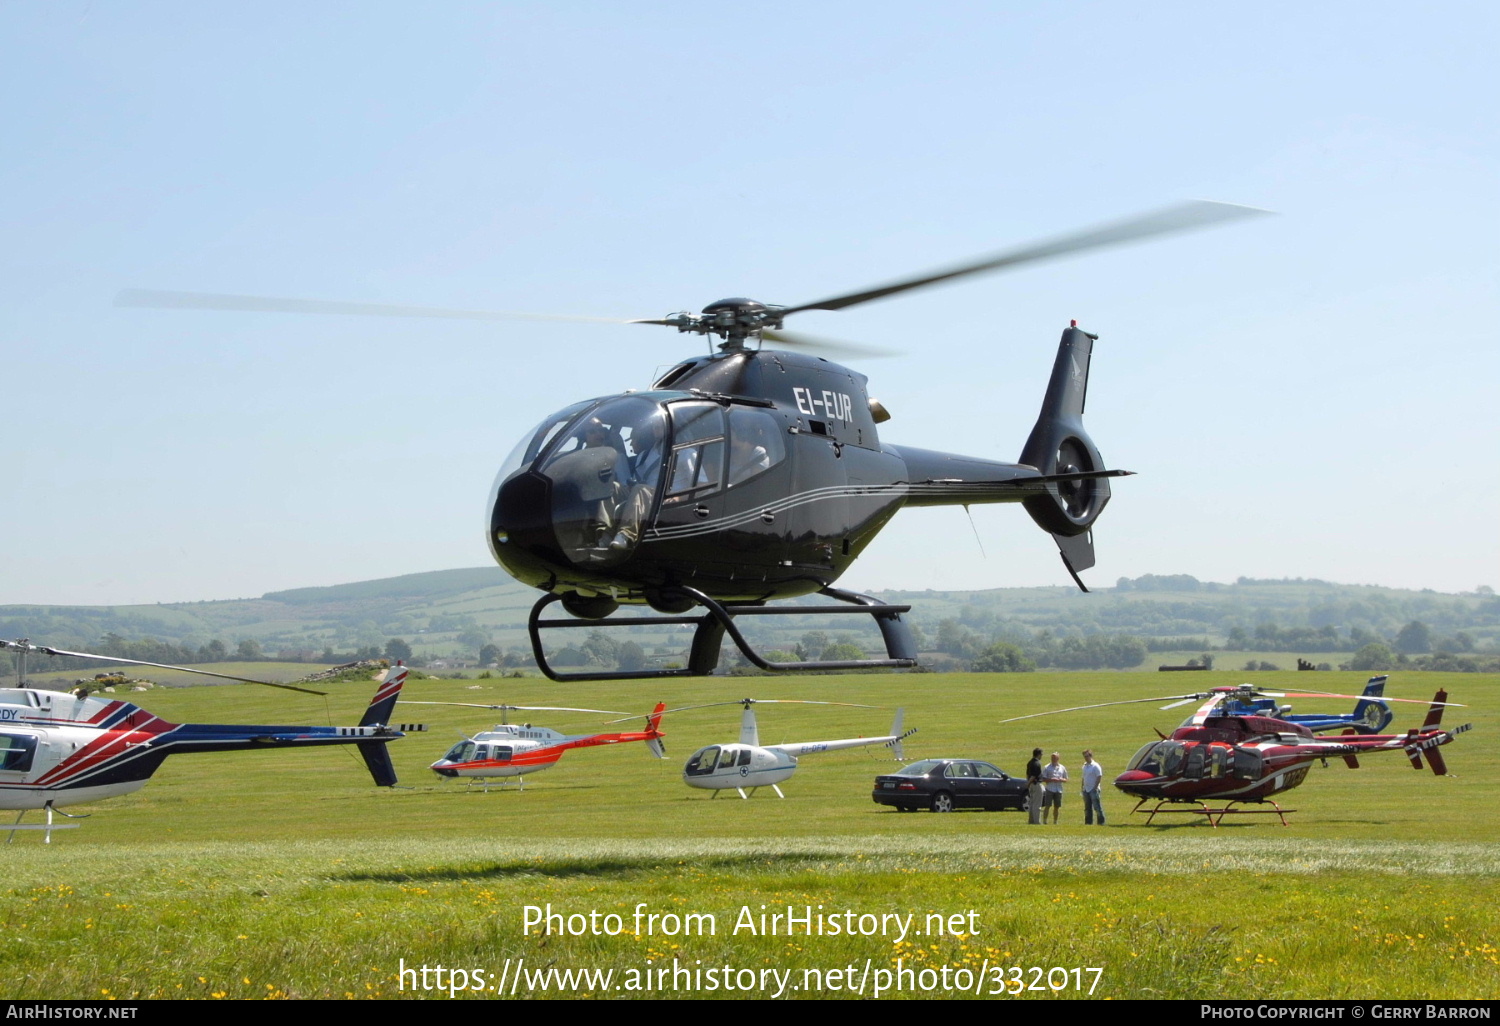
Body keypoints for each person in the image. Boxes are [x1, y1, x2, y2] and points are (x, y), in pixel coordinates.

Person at [1041, 752, 1068, 824]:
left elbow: (1066, 779)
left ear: (1058, 758)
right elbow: (1043, 779)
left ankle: (1055, 821)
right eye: (1052, 758)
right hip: (1049, 788)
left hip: (1058, 790)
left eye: (1055, 758)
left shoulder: (1062, 768)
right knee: (1047, 805)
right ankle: (1045, 821)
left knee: (1057, 806)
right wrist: (1051, 779)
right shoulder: (1047, 767)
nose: (1053, 759)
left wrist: (1060, 780)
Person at [1081, 749, 1105, 826]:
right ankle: (1088, 822)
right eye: (1084, 756)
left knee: (1097, 807)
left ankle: (1100, 822)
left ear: (1090, 756)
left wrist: (1095, 787)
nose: (1085, 758)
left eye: (1087, 756)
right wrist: (1082, 787)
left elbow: (1099, 776)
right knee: (1087, 808)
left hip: (1093, 789)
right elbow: (1083, 777)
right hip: (1086, 789)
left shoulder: (1095, 766)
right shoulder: (1084, 766)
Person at [1025, 748, 1044, 825]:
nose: (1042, 756)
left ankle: (1031, 820)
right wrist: (1028, 783)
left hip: (1031, 785)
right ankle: (1037, 821)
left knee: (1032, 803)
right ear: (1038, 754)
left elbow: (1027, 775)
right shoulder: (1037, 763)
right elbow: (1034, 776)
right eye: (1041, 754)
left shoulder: (1030, 762)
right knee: (1037, 804)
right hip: (1036, 784)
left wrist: (1028, 783)